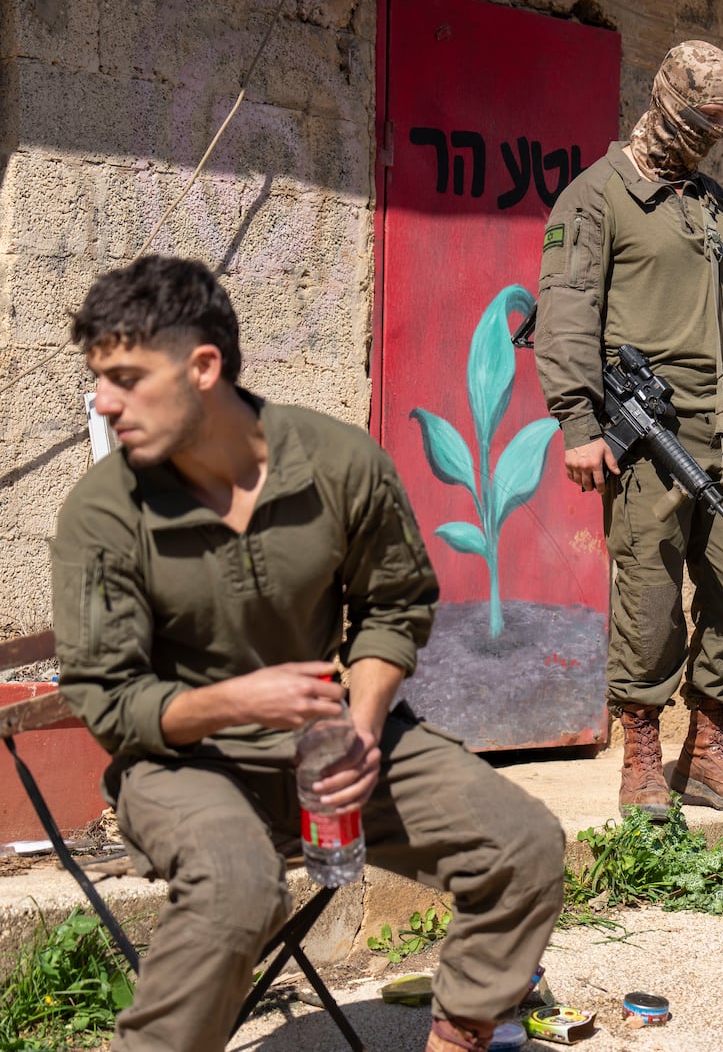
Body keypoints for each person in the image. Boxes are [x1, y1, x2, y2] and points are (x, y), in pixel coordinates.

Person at [52, 256, 566, 1052]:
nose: (104, 403)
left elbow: (395, 601)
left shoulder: (338, 462)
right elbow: (108, 699)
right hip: (182, 764)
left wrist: (362, 726)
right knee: (237, 886)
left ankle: (462, 1035)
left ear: (203, 367)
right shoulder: (102, 512)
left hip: (332, 746)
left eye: (125, 377)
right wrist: (235, 701)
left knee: (522, 843)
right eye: (99, 379)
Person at [534, 41, 723, 818]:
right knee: (648, 596)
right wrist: (579, 421)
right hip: (648, 432)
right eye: (703, 119)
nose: (712, 134)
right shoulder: (597, 196)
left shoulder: (712, 204)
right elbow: (566, 312)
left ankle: (707, 751)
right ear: (668, 102)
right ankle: (640, 757)